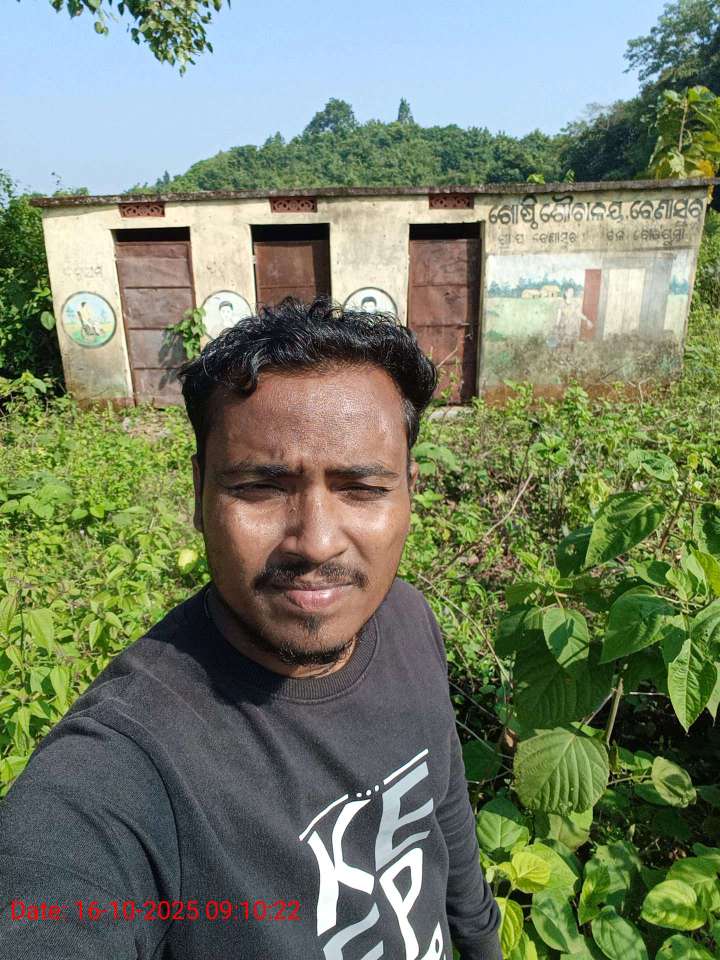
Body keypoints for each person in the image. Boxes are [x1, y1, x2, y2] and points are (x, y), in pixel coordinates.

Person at [0, 298, 503, 960]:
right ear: (200, 492)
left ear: (410, 490)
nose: (315, 542)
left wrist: (482, 940)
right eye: (260, 488)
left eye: (361, 488)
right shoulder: (122, 771)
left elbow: (444, 810)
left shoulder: (408, 618)